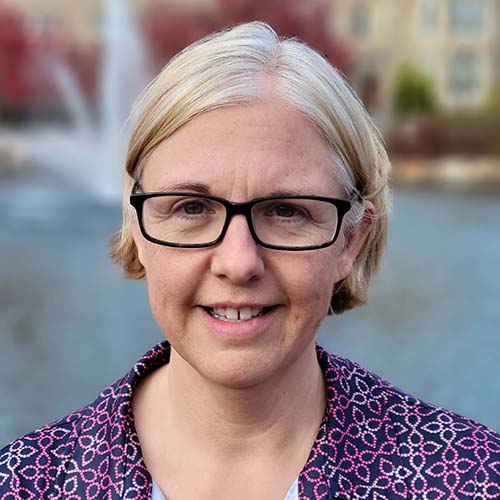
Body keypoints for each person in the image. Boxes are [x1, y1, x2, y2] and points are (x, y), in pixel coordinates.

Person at [1, 21, 499, 500]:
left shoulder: (470, 479)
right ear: (137, 226)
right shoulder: (23, 483)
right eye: (190, 208)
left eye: (286, 211)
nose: (238, 264)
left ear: (351, 240)